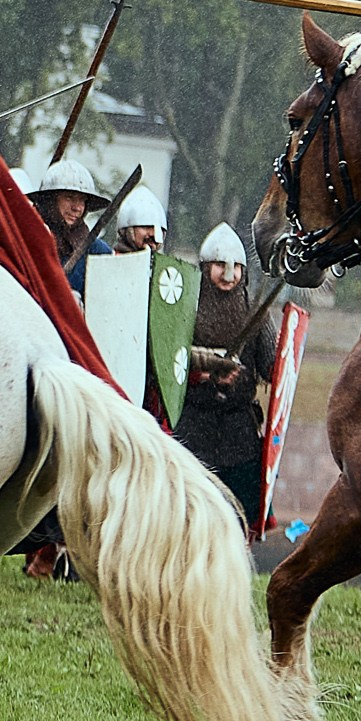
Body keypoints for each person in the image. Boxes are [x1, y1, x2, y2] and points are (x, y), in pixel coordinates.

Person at [178, 223, 274, 529]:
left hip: (239, 429)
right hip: (193, 424)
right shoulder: (185, 309)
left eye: (235, 267)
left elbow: (271, 368)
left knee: (239, 514)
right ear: (205, 267)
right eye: (220, 265)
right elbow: (171, 361)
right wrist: (204, 376)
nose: (228, 274)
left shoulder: (255, 313)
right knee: (191, 513)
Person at [29, 158, 113, 294]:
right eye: (69, 197)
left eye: (82, 200)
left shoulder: (96, 251)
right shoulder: (29, 240)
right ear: (51, 200)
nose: (77, 208)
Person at [111, 184, 168, 255]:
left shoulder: (165, 262)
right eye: (145, 227)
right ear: (128, 231)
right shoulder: (111, 260)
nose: (152, 234)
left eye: (157, 229)